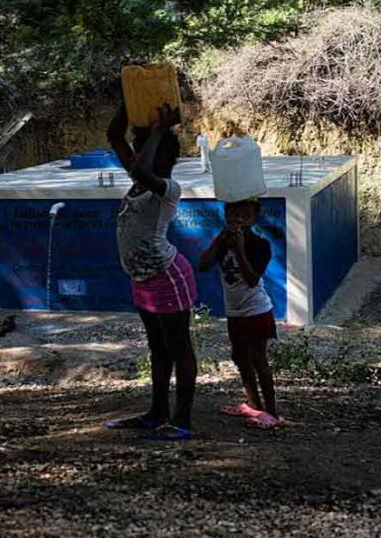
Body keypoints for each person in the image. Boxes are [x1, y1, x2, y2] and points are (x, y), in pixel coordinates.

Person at [103, 101, 198, 441]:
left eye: (143, 151)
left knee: (179, 347)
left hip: (167, 276)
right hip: (143, 278)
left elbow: (143, 169)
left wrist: (159, 130)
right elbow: (115, 136)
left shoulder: (167, 189)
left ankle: (182, 420)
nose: (136, 158)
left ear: (162, 157)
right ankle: (156, 413)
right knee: (158, 348)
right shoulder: (140, 181)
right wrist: (128, 100)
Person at [198, 198, 282, 429]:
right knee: (240, 358)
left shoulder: (260, 245)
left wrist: (240, 249)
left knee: (259, 360)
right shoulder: (224, 242)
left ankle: (272, 412)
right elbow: (203, 265)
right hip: (234, 312)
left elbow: (252, 280)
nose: (239, 220)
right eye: (234, 215)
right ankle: (255, 406)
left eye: (246, 216)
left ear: (254, 219)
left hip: (256, 310)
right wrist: (221, 239)